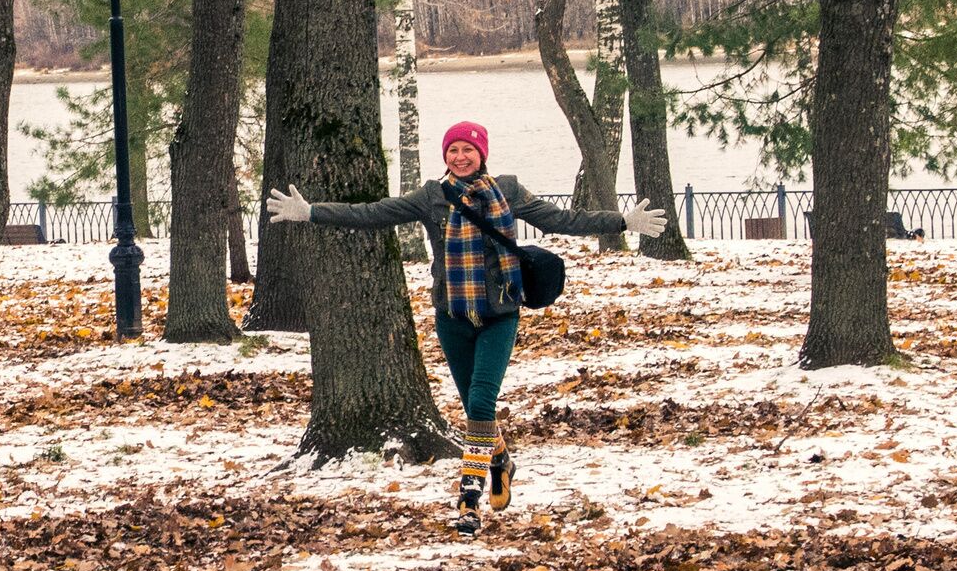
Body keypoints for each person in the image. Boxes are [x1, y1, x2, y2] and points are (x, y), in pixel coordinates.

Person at [268, 122, 665, 529]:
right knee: (477, 410)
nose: (460, 157)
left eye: (468, 150)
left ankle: (469, 499)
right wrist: (312, 212)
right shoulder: (432, 197)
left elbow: (562, 219)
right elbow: (374, 213)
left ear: (482, 154)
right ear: (445, 156)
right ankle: (501, 460)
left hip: (500, 316)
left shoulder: (508, 191)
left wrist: (622, 222)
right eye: (453, 150)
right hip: (453, 318)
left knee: (480, 403)